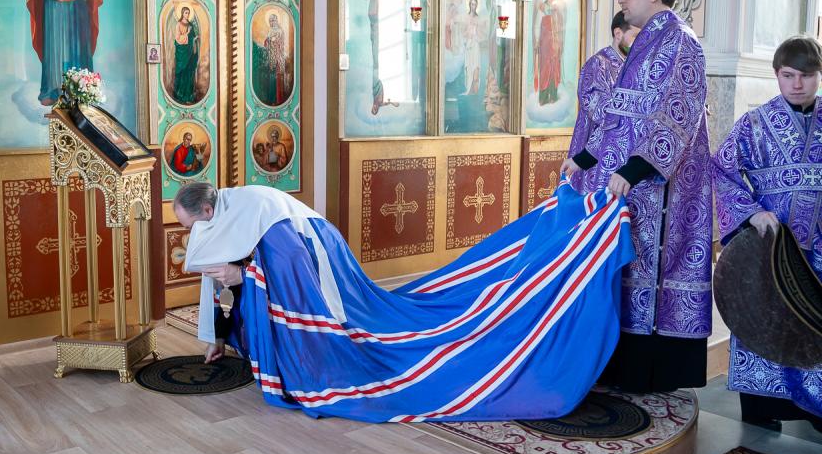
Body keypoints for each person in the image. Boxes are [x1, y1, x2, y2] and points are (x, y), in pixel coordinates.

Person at [174, 180, 635, 422]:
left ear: (208, 211)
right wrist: (216, 335)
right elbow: (219, 276)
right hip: (309, 253)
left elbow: (291, 275)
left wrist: (242, 275)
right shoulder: (227, 212)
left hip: (313, 254)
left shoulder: (262, 219)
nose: (191, 233)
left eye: (190, 225)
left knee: (372, 334)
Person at [565, 0, 713, 392]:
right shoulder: (647, 43)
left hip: (656, 185)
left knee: (650, 269)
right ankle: (616, 367)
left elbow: (680, 112)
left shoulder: (681, 40)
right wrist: (586, 158)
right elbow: (621, 115)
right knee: (625, 271)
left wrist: (635, 167)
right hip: (628, 183)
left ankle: (649, 374)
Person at [711, 35, 822, 431]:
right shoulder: (754, 124)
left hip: (818, 251)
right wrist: (751, 213)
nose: (798, 84)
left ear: (819, 75)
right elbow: (721, 170)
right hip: (771, 249)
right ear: (777, 75)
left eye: (807, 75)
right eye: (789, 75)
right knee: (765, 320)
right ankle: (763, 408)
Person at [561, 10, 639, 194]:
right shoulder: (598, 64)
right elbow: (600, 111)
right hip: (594, 159)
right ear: (618, 33)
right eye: (635, 36)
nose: (639, 43)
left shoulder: (633, 67)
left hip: (622, 161)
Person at [533, 0, 563, 105]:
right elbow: (537, 25)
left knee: (554, 67)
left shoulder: (556, 9)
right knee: (545, 68)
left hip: (554, 44)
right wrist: (537, 40)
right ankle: (544, 98)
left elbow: (560, 27)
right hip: (545, 43)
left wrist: (559, 41)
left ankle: (553, 96)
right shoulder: (542, 8)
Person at [172, 6, 199, 104]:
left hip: (190, 53)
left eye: (188, 13)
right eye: (185, 13)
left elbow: (193, 37)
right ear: (182, 13)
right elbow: (177, 39)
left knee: (189, 73)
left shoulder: (191, 24)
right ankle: (180, 95)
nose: (187, 15)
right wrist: (187, 33)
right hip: (182, 53)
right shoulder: (178, 24)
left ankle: (188, 96)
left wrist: (195, 39)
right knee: (182, 73)